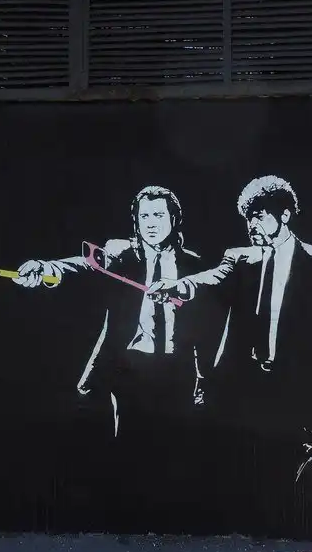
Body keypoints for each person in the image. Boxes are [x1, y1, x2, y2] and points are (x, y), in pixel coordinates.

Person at [148, 175, 312, 535]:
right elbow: (211, 278)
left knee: (284, 465)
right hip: (244, 383)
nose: (251, 225)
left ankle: (279, 532)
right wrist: (180, 286)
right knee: (240, 460)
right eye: (248, 218)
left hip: (293, 387)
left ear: (284, 215)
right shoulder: (241, 258)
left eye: (259, 216)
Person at [14, 185, 212, 530]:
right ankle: (126, 522)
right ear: (136, 221)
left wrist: (201, 375)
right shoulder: (120, 254)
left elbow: (205, 326)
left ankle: (166, 525)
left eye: (159, 215)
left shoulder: (193, 264)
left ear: (174, 219)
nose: (151, 223)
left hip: (175, 369)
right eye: (144, 216)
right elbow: (82, 265)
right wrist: (46, 270)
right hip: (129, 365)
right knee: (129, 445)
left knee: (171, 449)